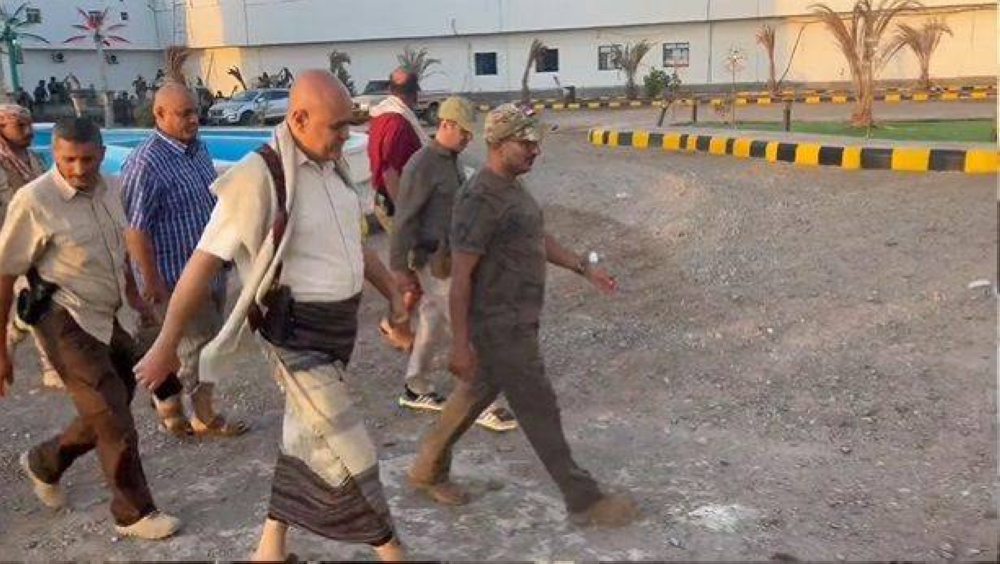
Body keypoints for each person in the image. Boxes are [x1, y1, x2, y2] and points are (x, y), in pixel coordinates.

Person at [134, 71, 405, 561]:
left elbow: (353, 243)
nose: (346, 136)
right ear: (298, 118)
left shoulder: (333, 166)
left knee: (305, 437)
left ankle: (269, 551)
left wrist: (393, 294)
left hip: (339, 333)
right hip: (294, 335)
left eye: (349, 125)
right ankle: (393, 553)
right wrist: (166, 343)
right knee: (352, 451)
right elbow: (202, 262)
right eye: (337, 126)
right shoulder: (258, 176)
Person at [407, 104, 640, 526]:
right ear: (498, 143)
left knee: (473, 394)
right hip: (499, 326)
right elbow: (461, 277)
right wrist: (460, 345)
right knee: (538, 407)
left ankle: (426, 468)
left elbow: (535, 236)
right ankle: (584, 499)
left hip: (516, 319)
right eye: (525, 142)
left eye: (536, 141)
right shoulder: (480, 197)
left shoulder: (511, 188)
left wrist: (582, 267)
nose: (535, 150)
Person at [0, 117, 182, 540]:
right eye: (68, 160)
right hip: (64, 316)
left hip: (112, 313)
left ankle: (45, 462)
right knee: (112, 415)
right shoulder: (34, 201)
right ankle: (134, 513)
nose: (78, 169)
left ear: (101, 154)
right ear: (55, 155)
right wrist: (2, 346)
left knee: (109, 406)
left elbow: (119, 251)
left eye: (87, 159)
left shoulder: (114, 189)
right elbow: (5, 272)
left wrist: (135, 297)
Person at [120, 83, 248, 438]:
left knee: (191, 344)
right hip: (174, 276)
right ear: (159, 115)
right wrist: (151, 281)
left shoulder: (198, 149)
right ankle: (202, 413)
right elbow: (134, 230)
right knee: (201, 346)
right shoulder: (146, 163)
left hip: (211, 267)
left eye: (194, 112)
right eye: (184, 114)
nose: (193, 119)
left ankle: (168, 404)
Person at [389, 96, 516, 431]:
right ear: (445, 124)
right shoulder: (422, 164)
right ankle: (484, 404)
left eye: (470, 133)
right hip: (433, 261)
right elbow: (404, 219)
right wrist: (399, 268)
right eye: (463, 132)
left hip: (452, 258)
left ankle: (415, 386)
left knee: (432, 320)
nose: (468, 139)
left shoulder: (452, 161)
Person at [0, 104, 61, 389]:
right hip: (10, 243)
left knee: (41, 298)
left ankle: (14, 334)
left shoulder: (33, 158)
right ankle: (50, 366)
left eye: (29, 125)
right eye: (20, 126)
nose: (29, 131)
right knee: (36, 298)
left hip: (41, 238)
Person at [367, 69, 427, 234]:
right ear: (414, 94)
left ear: (390, 90)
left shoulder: (380, 115)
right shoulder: (398, 123)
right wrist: (404, 215)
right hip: (396, 202)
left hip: (384, 197)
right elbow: (389, 172)